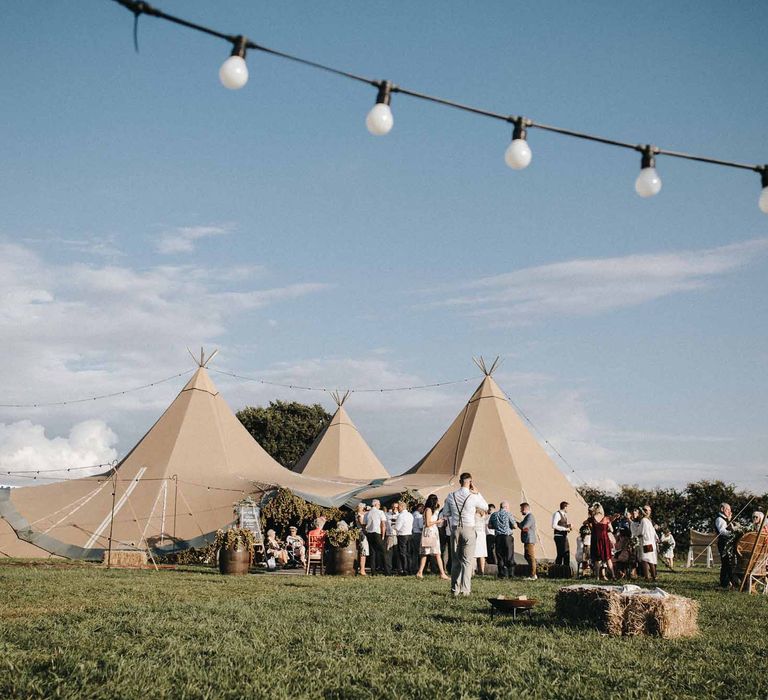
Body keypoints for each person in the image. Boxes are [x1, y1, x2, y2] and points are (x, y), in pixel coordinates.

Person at [441, 472, 488, 596]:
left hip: (455, 529)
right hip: (469, 528)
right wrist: (478, 492)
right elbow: (485, 506)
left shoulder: (451, 496)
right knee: (467, 561)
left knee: (455, 560)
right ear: (470, 482)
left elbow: (446, 513)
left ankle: (454, 589)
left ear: (460, 481)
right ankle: (465, 590)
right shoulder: (473, 496)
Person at [416, 494, 449, 580]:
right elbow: (427, 523)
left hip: (432, 532)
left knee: (426, 553)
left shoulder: (431, 510)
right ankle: (442, 573)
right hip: (430, 532)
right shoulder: (428, 510)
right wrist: (437, 522)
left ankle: (420, 572)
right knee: (436, 553)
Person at [489, 500, 516, 578]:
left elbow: (490, 526)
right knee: (509, 555)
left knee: (500, 556)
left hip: (498, 537)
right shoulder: (508, 514)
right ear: (506, 507)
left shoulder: (494, 514)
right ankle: (511, 574)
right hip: (507, 537)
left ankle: (501, 574)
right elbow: (514, 526)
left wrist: (497, 526)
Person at [364, 499, 390, 576]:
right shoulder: (380, 512)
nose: (380, 506)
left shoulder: (367, 514)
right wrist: (382, 535)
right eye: (379, 505)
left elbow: (364, 524)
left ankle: (373, 571)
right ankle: (387, 571)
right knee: (384, 552)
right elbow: (383, 524)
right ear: (376, 505)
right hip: (376, 533)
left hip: (369, 533)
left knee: (373, 552)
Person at [589, 503, 614, 580]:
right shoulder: (606, 519)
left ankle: (597, 577)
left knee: (597, 559)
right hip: (605, 539)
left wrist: (592, 528)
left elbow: (584, 523)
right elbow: (612, 530)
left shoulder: (592, 518)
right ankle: (613, 575)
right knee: (608, 558)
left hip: (596, 539)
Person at [715, 503, 738, 589]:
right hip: (723, 543)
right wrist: (733, 533)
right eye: (728, 509)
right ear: (722, 509)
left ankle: (727, 582)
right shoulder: (719, 519)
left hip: (728, 543)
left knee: (728, 563)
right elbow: (722, 531)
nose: (730, 512)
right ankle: (725, 583)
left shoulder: (726, 519)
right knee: (726, 563)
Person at [394, 500, 414, 575]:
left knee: (402, 553)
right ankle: (410, 569)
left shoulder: (401, 516)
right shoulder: (410, 515)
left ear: (402, 507)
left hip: (402, 535)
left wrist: (394, 527)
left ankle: (404, 570)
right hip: (409, 534)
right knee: (408, 553)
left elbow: (398, 527)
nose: (397, 509)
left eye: (398, 507)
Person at [519, 503, 538, 580]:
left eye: (521, 509)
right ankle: (532, 573)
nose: (520, 511)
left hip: (529, 539)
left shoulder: (530, 517)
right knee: (527, 556)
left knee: (531, 557)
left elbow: (524, 527)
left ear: (525, 508)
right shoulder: (527, 517)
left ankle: (533, 575)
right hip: (527, 539)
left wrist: (518, 524)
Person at [639, 505, 658, 582]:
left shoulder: (644, 520)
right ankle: (654, 576)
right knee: (650, 560)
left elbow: (642, 532)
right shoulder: (648, 520)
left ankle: (647, 577)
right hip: (650, 542)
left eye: (648, 510)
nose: (646, 511)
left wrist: (637, 534)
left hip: (646, 542)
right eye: (645, 510)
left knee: (645, 560)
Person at [551, 501, 572, 568]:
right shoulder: (557, 514)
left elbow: (562, 525)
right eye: (568, 507)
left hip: (564, 536)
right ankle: (559, 569)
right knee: (561, 553)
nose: (568, 509)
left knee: (565, 552)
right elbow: (554, 526)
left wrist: (568, 526)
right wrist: (565, 529)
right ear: (565, 507)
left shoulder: (564, 515)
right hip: (559, 536)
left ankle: (565, 569)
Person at [354, 503, 369, 576]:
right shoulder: (359, 515)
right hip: (362, 533)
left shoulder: (362, 513)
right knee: (363, 550)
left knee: (363, 551)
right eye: (362, 507)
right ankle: (362, 569)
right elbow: (362, 523)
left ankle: (362, 568)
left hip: (362, 532)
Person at [385, 505, 400, 574]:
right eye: (393, 507)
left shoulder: (400, 515)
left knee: (397, 553)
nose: (394, 508)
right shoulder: (387, 515)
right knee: (389, 553)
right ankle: (388, 570)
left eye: (396, 507)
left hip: (397, 536)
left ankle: (397, 569)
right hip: (390, 536)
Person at [474, 507, 488, 575]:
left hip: (475, 533)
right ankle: (481, 570)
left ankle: (472, 570)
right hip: (482, 534)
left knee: (473, 553)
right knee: (482, 554)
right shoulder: (484, 514)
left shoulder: (474, 514)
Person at [411, 503, 424, 573]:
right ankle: (416, 567)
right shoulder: (419, 516)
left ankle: (413, 566)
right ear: (420, 508)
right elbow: (421, 527)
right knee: (418, 552)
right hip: (418, 534)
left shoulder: (412, 514)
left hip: (412, 533)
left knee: (414, 552)